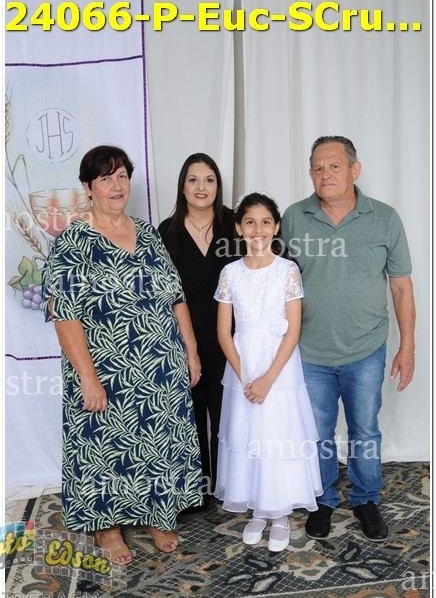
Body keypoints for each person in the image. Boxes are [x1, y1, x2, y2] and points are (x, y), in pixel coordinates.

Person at [42, 145, 203, 564]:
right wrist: (88, 378)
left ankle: (156, 514)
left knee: (157, 443)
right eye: (105, 178)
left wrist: (191, 350)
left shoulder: (148, 234)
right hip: (105, 370)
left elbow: (175, 296)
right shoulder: (73, 242)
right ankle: (108, 528)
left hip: (160, 366)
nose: (116, 186)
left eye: (122, 177)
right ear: (87, 187)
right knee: (103, 448)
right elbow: (65, 315)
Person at [281, 136, 415, 542]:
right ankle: (322, 499)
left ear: (355, 170)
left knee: (365, 430)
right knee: (316, 432)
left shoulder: (385, 218)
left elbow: (401, 287)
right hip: (310, 349)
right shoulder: (294, 217)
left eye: (335, 166)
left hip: (366, 348)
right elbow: (276, 280)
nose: (326, 174)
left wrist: (407, 346)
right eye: (318, 168)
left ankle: (366, 499)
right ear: (310, 173)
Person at [213, 192, 323, 552]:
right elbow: (223, 332)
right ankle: (258, 510)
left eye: (265, 222)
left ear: (276, 227)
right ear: (238, 228)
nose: (257, 229)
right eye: (250, 222)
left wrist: (268, 378)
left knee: (277, 435)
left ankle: (280, 514)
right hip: (243, 367)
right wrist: (246, 377)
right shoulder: (230, 273)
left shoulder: (287, 271)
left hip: (279, 368)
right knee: (247, 436)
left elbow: (293, 329)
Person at [158, 153, 236, 498]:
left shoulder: (235, 224)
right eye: (193, 179)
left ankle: (227, 486)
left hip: (230, 338)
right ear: (182, 187)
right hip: (182, 340)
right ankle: (195, 491)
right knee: (189, 417)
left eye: (209, 179)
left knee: (226, 416)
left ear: (218, 186)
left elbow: (272, 263)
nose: (201, 187)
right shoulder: (166, 232)